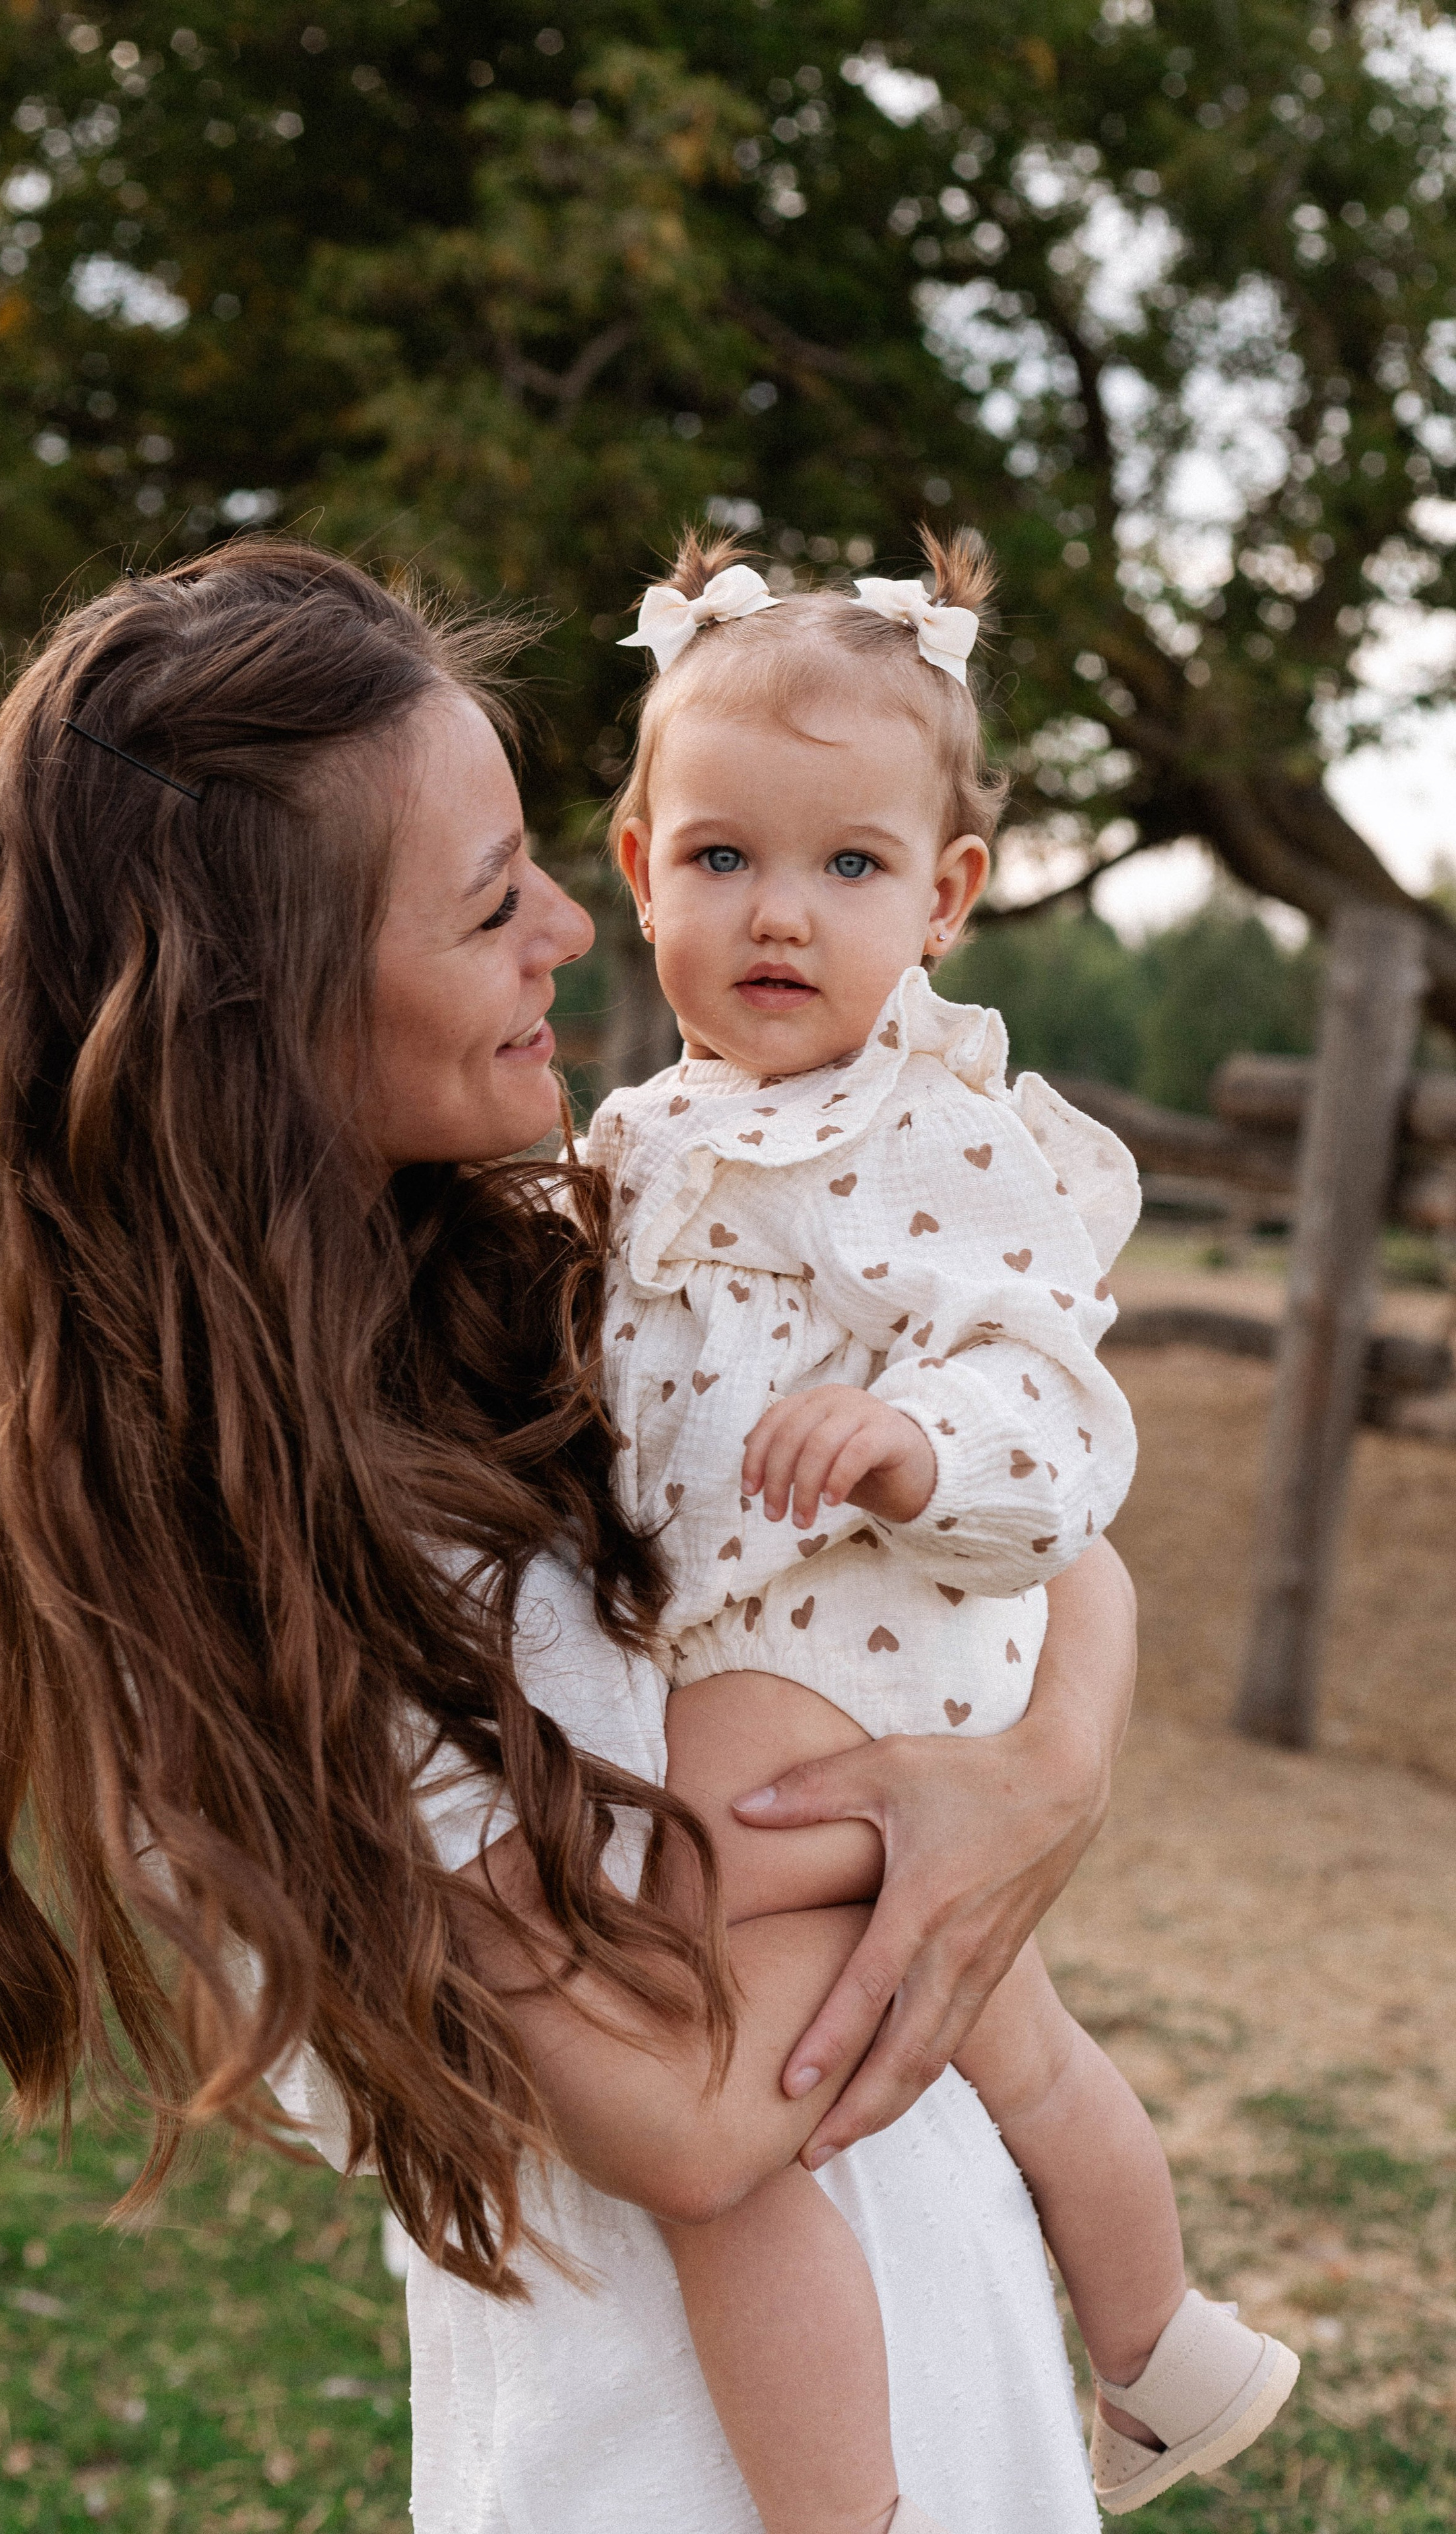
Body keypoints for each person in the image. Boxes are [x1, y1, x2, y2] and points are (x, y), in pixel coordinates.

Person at [0, 538, 1139, 2534]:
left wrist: (1048, 1770)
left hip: (938, 2340)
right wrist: (955, 1819)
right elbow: (689, 2119)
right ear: (264, 1014)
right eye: (493, 904)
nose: (581, 920)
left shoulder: (546, 1270)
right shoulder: (256, 1540)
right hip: (667, 2461)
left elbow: (1055, 1541)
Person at [549, 526, 1294, 2530]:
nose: (778, 913)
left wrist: (912, 1437)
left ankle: (844, 2513)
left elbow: (1063, 1421)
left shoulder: (945, 1131)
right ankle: (1165, 2353)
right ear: (639, 874)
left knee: (719, 2112)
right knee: (1003, 2025)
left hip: (858, 1643)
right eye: (722, 859)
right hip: (758, 1653)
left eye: (848, 867)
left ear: (948, 897)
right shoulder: (627, 1144)